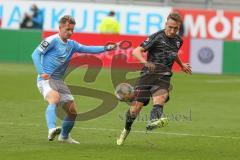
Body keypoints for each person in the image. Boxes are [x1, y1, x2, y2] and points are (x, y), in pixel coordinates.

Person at [32, 15, 116, 144]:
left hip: (59, 81)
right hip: (46, 80)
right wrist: (41, 72)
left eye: (72, 30)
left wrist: (106, 48)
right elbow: (35, 54)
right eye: (67, 29)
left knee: (72, 112)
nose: (70, 32)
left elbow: (88, 49)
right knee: (54, 99)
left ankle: (64, 136)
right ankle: (51, 129)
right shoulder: (52, 40)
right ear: (60, 28)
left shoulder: (72, 44)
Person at [117, 12, 192, 145]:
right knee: (135, 109)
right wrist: (145, 63)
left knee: (160, 98)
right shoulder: (157, 37)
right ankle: (126, 129)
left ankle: (153, 120)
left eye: (176, 28)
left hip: (164, 75)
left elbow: (173, 53)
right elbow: (136, 51)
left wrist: (181, 65)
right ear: (166, 24)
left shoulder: (178, 40)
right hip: (148, 74)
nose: (173, 31)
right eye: (170, 27)